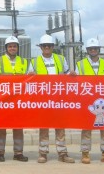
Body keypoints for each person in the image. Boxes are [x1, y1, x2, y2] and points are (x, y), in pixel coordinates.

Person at [70, 38, 104, 164]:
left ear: (98, 50)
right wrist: (73, 76)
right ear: (87, 50)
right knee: (86, 126)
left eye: (95, 48)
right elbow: (76, 82)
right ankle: (85, 152)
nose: (93, 50)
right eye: (91, 48)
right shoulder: (80, 64)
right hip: (87, 100)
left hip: (102, 100)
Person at [28, 34, 75, 164]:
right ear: (41, 47)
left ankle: (62, 153)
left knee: (60, 126)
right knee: (44, 127)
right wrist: (30, 75)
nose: (47, 47)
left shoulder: (61, 59)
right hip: (43, 100)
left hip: (59, 99)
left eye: (49, 45)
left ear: (53, 47)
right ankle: (43, 153)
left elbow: (67, 74)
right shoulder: (34, 62)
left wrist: (71, 74)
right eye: (44, 46)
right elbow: (28, 79)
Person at [0, 36, 28, 162]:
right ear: (6, 48)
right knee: (1, 127)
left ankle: (18, 152)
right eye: (10, 46)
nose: (12, 48)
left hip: (18, 101)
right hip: (3, 101)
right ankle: (0, 152)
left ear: (17, 48)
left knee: (18, 127)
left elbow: (30, 79)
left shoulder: (24, 62)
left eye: (14, 46)